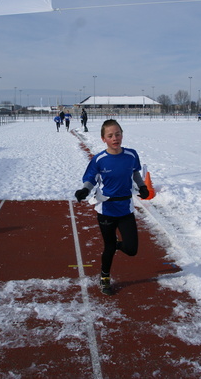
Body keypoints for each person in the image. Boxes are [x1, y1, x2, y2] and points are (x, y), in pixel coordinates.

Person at [74, 119, 149, 295]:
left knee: (131, 249)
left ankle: (116, 244)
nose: (115, 138)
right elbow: (91, 179)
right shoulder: (99, 160)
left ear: (122, 134)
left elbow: (135, 172)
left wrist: (143, 186)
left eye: (118, 134)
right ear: (103, 139)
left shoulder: (131, 155)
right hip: (106, 210)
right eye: (110, 135)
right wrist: (84, 191)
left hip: (126, 210)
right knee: (109, 247)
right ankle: (105, 277)